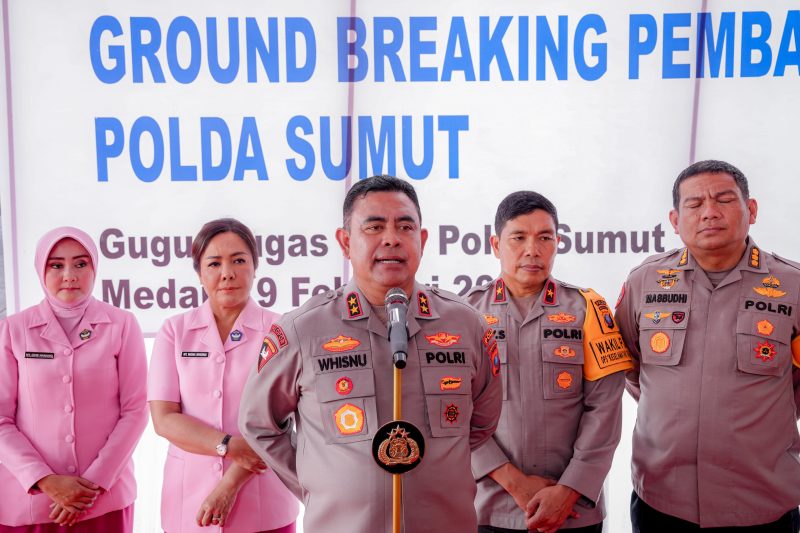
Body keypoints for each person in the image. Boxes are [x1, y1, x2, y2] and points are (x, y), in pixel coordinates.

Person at [239, 175, 503, 532]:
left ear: (422, 240)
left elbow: (482, 421)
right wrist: (320, 483)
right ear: (346, 242)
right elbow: (259, 423)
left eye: (405, 227)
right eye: (374, 227)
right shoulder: (303, 329)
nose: (391, 238)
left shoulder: (466, 324)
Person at [615, 160, 800, 532]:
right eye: (695, 204)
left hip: (761, 501)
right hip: (662, 500)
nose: (710, 212)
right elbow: (630, 366)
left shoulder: (793, 286)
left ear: (751, 210)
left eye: (724, 200)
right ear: (675, 219)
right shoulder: (644, 281)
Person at [468, 192, 633, 533]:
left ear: (557, 243)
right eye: (518, 238)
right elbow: (453, 413)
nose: (533, 249)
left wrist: (570, 489)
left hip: (573, 511)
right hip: (491, 505)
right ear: (496, 245)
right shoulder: (465, 314)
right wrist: (513, 482)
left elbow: (604, 409)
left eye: (545, 238)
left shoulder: (588, 309)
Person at [148, 218, 298, 532]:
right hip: (189, 501)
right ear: (199, 273)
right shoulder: (175, 331)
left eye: (239, 261)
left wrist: (229, 485)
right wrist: (227, 446)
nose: (227, 273)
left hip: (264, 501)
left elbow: (279, 423)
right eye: (214, 263)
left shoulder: (280, 329)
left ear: (255, 267)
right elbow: (164, 419)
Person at [0, 227, 148, 532]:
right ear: (41, 270)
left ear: (94, 268)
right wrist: (45, 480)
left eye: (81, 264)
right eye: (56, 265)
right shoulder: (13, 330)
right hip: (31, 502)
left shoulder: (121, 324)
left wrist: (92, 484)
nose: (70, 275)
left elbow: (136, 410)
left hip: (104, 499)